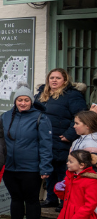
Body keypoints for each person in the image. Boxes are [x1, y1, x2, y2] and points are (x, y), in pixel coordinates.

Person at [0, 84, 53, 219]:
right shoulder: (6, 116)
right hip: (10, 167)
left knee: (31, 200)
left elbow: (46, 144)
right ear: (15, 101)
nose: (23, 103)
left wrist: (45, 167)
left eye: (26, 100)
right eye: (20, 100)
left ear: (31, 101)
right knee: (15, 199)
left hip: (31, 168)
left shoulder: (40, 117)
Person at [36, 68, 88, 208]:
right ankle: (51, 199)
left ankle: (64, 201)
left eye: (58, 78)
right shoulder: (42, 94)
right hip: (45, 139)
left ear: (65, 80)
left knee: (63, 172)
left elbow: (81, 116)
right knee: (49, 169)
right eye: (52, 77)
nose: (54, 80)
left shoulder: (72, 95)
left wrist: (69, 134)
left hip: (62, 139)